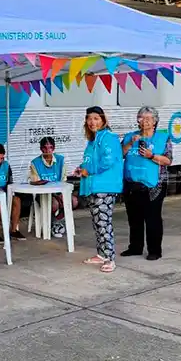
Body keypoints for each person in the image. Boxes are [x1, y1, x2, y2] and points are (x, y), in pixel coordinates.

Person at [120, 106, 173, 261]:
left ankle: (154, 250)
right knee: (134, 218)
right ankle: (135, 247)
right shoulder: (131, 136)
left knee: (152, 218)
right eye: (141, 118)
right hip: (131, 184)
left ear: (155, 121)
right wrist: (130, 143)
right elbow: (120, 154)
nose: (144, 121)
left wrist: (151, 156)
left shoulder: (163, 138)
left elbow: (168, 160)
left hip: (154, 186)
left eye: (148, 118)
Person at [75, 106, 123, 273]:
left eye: (96, 118)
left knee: (103, 222)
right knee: (97, 222)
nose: (92, 122)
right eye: (89, 118)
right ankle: (102, 254)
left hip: (105, 186)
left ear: (103, 120)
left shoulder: (108, 137)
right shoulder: (93, 140)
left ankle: (110, 258)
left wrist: (90, 170)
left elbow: (108, 161)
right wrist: (82, 168)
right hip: (93, 186)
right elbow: (90, 161)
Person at [28, 137, 68, 238]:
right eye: (45, 148)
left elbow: (63, 180)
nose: (48, 151)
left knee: (73, 201)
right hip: (42, 194)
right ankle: (54, 225)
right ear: (41, 149)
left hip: (58, 192)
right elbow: (35, 182)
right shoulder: (35, 162)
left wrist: (58, 194)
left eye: (50, 148)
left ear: (54, 148)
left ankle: (55, 222)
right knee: (53, 203)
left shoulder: (60, 160)